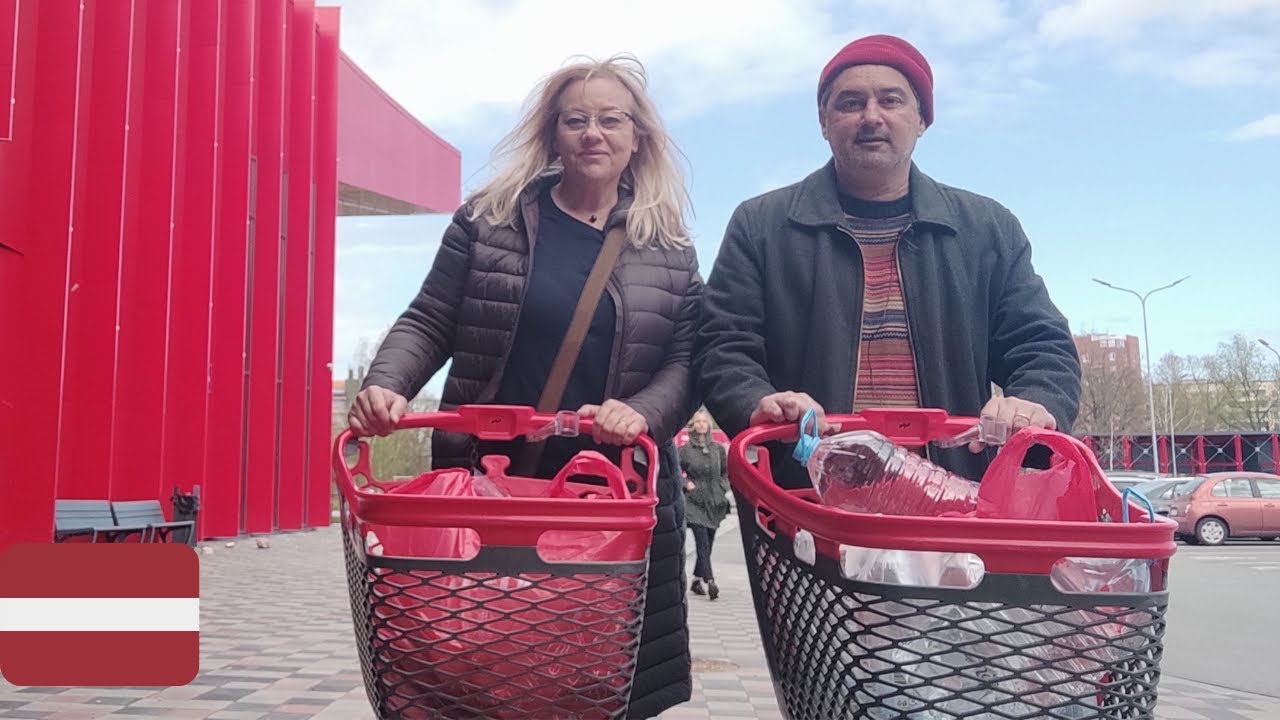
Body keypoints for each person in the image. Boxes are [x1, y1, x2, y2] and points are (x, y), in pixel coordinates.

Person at [347, 54, 701, 718]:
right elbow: (429, 318)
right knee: (481, 664)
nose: (593, 133)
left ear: (638, 138)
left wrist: (642, 412)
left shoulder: (668, 245)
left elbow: (688, 361)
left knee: (593, 675)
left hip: (608, 496)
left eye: (611, 119)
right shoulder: (490, 221)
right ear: (552, 134)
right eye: (576, 120)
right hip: (491, 485)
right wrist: (387, 385)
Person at [693, 34, 1082, 489]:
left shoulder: (985, 229)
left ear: (921, 119)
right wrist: (756, 400)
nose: (871, 117)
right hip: (807, 495)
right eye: (850, 103)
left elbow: (1042, 345)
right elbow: (723, 345)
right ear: (824, 121)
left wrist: (1034, 401)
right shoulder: (761, 225)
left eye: (891, 100)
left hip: (953, 495)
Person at [679, 409, 730, 601]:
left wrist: (723, 486)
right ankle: (711, 581)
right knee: (702, 542)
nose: (701, 424)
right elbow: (675, 470)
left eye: (704, 421)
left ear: (708, 425)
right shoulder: (685, 450)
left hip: (715, 501)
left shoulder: (718, 449)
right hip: (694, 502)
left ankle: (696, 580)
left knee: (709, 542)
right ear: (693, 425)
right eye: (697, 421)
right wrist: (686, 484)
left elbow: (725, 471)